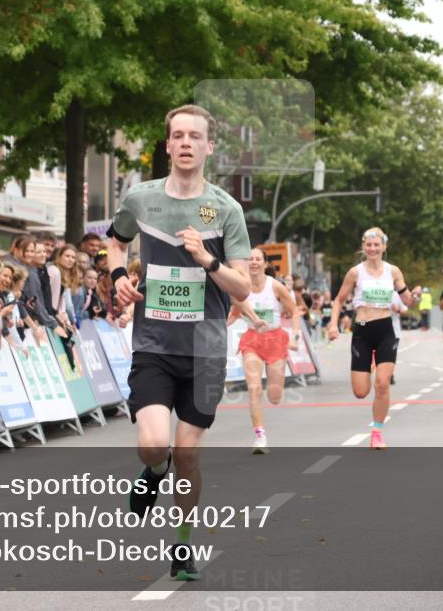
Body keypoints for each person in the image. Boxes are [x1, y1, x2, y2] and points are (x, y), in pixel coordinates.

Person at [106, 104, 250, 581]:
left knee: (188, 455)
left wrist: (208, 260)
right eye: (178, 135)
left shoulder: (225, 210)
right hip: (153, 343)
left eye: (196, 136)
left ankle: (183, 546)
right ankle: (152, 469)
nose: (186, 142)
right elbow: (115, 242)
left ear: (209, 147)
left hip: (206, 350)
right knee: (154, 445)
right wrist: (117, 278)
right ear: (167, 145)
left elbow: (243, 287)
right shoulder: (141, 199)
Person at [327, 228, 422, 450]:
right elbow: (339, 300)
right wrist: (333, 324)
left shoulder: (394, 272)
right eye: (368, 245)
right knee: (361, 392)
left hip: (385, 330)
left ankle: (377, 432)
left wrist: (415, 297)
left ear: (383, 247)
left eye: (376, 245)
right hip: (361, 331)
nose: (372, 248)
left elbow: (407, 301)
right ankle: (369, 365)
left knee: (382, 384)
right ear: (363, 246)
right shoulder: (355, 273)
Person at [228, 247, 299, 454]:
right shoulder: (241, 287)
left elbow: (294, 311)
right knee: (254, 388)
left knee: (274, 396)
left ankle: (274, 390)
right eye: (249, 259)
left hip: (276, 340)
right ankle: (260, 437)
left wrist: (295, 336)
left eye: (258, 259)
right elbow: (234, 313)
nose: (254, 262)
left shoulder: (275, 286)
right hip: (252, 341)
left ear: (265, 263)